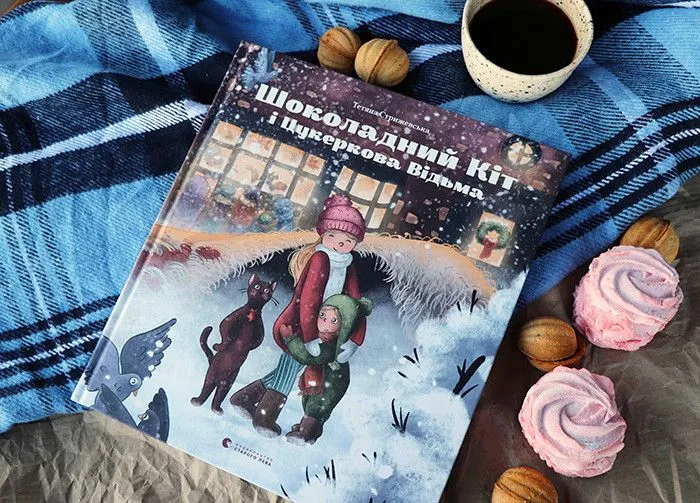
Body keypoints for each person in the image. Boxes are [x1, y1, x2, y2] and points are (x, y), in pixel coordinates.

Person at [230, 194, 367, 437]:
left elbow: (357, 303)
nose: (339, 244)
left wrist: (355, 338)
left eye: (348, 240)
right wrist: (310, 335)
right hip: (299, 326)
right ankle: (265, 417)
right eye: (333, 236)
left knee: (289, 367)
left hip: (328, 329)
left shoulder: (349, 266)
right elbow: (309, 299)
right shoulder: (320, 258)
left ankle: (244, 398)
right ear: (323, 235)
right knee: (291, 366)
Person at [281, 294, 373, 445]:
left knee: (315, 409)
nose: (324, 322)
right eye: (322, 315)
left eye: (334, 320)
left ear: (343, 326)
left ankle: (305, 434)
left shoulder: (330, 347)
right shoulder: (328, 343)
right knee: (314, 407)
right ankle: (311, 431)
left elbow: (307, 358)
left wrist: (290, 339)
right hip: (328, 383)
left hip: (330, 386)